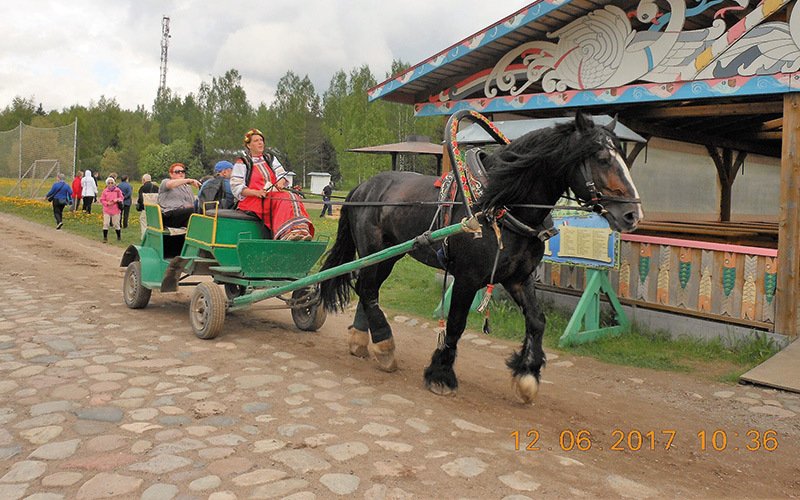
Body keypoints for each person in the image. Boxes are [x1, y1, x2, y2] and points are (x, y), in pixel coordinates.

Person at [231, 129, 314, 241]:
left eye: (261, 140)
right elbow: (236, 187)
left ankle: (300, 232)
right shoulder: (243, 162)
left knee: (294, 197)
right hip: (252, 200)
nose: (260, 143)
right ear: (249, 145)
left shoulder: (270, 158)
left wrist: (281, 182)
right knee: (288, 197)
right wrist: (256, 192)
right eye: (256, 141)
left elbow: (281, 173)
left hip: (271, 197)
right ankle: (286, 234)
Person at [158, 163, 201, 228]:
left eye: (183, 171)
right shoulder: (166, 182)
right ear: (171, 174)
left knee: (200, 213)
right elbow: (170, 184)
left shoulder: (187, 187)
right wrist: (189, 180)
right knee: (195, 209)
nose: (181, 173)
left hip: (184, 216)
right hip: (169, 216)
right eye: (177, 172)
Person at [99, 177, 124, 243]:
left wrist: (117, 200)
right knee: (106, 223)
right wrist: (107, 203)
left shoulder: (118, 190)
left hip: (116, 209)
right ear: (107, 184)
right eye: (109, 183)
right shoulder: (105, 191)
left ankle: (119, 237)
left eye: (112, 183)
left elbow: (121, 197)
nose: (110, 184)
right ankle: (105, 238)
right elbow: (102, 200)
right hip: (107, 209)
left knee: (116, 224)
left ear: (114, 183)